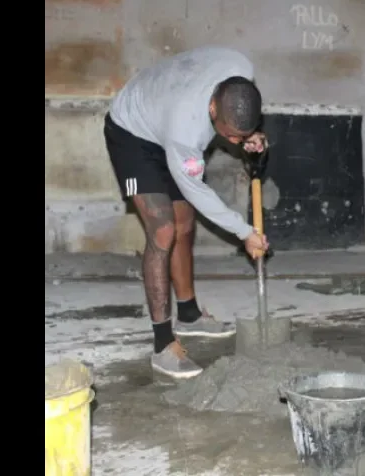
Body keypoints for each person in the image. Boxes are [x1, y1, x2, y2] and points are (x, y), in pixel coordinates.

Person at [105, 46, 271, 379]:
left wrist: (250, 136)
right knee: (163, 229)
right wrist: (245, 232)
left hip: (164, 114)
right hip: (133, 132)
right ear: (212, 107)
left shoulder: (240, 67)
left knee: (184, 222)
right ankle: (163, 345)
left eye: (241, 135)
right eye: (229, 136)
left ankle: (190, 314)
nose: (235, 142)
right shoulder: (187, 129)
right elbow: (198, 192)